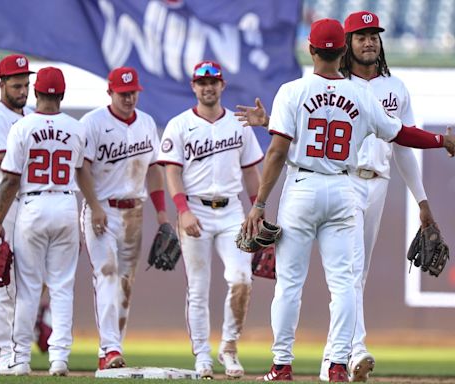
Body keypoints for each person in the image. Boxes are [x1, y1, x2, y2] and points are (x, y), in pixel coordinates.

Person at [240, 19, 455, 382]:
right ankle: (339, 364)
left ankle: (281, 365)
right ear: (343, 50)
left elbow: (277, 152)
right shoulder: (362, 96)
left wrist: (259, 205)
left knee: (290, 283)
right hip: (343, 188)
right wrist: (442, 141)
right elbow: (401, 133)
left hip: (303, 187)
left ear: (310, 50)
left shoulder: (292, 90)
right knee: (345, 283)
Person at [0, 66, 103, 376]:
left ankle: (21, 358)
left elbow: (11, 180)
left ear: (36, 92)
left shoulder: (22, 127)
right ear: (62, 94)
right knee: (62, 288)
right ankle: (59, 359)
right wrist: (93, 206)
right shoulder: (76, 128)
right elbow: (82, 170)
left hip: (33, 205)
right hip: (66, 203)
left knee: (27, 288)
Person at [157, 61, 263, 379]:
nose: (208, 87)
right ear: (193, 86)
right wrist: (182, 209)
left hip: (232, 211)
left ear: (222, 85)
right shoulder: (179, 124)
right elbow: (171, 171)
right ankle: (202, 354)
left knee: (242, 279)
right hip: (195, 209)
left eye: (213, 81)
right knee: (198, 288)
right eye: (202, 82)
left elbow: (251, 173)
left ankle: (228, 348)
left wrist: (258, 209)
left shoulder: (238, 124)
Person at [79, 67, 169, 370]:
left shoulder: (146, 123)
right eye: (123, 93)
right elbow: (82, 169)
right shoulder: (92, 123)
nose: (129, 97)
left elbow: (155, 169)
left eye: (133, 92)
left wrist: (161, 213)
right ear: (110, 93)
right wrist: (94, 205)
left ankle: (113, 349)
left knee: (125, 284)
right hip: (103, 208)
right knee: (106, 272)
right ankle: (110, 348)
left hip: (134, 212)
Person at [0, 54, 52, 375]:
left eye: (26, 84)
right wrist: (23, 158)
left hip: (26, 204)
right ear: (2, 84)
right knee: (1, 279)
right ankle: (1, 350)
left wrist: (21, 158)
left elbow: (22, 160)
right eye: (16, 84)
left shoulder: (30, 114)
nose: (22, 90)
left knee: (28, 282)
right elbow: (6, 166)